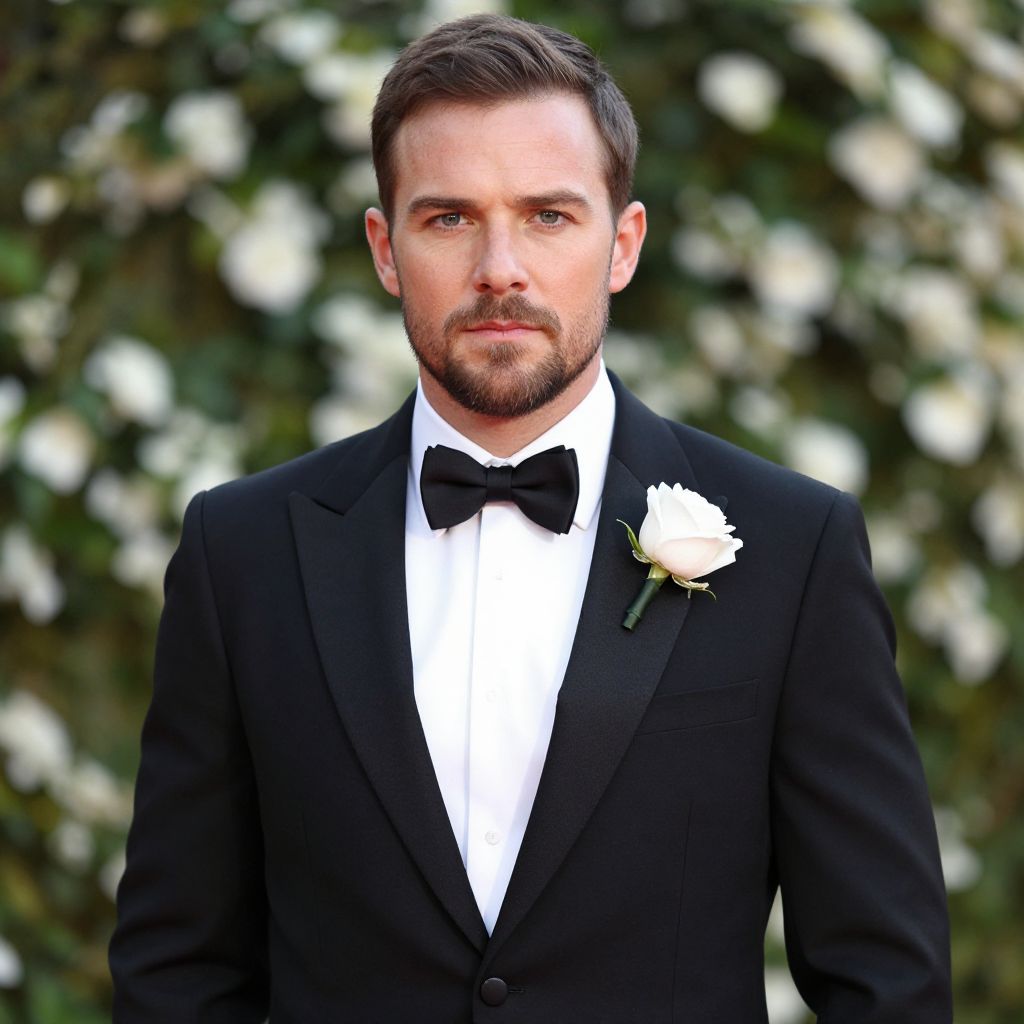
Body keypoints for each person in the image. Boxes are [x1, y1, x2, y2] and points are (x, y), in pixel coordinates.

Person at [110, 14, 952, 1022]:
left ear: (622, 243)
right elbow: (177, 974)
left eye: (548, 216)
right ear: (384, 249)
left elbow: (886, 983)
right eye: (449, 218)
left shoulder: (793, 549)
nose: (499, 267)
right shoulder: (240, 552)